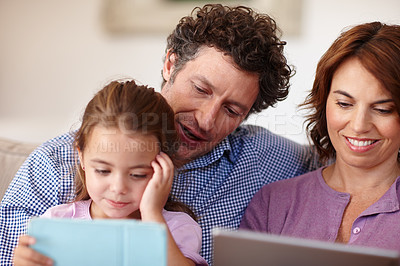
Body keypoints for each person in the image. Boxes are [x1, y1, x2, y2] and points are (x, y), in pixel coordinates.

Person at [0, 4, 319, 265]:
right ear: (170, 64)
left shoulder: (264, 157)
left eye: (231, 110)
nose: (206, 121)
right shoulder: (54, 165)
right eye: (200, 89)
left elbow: (339, 161)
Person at [240, 21, 400, 251]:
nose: (358, 125)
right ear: (324, 102)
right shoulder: (272, 203)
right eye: (344, 104)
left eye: (383, 109)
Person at [13, 80, 208, 266]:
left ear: (163, 168)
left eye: (138, 174)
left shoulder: (176, 228)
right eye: (103, 170)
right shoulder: (56, 222)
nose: (118, 188)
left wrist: (151, 214)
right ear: (81, 158)